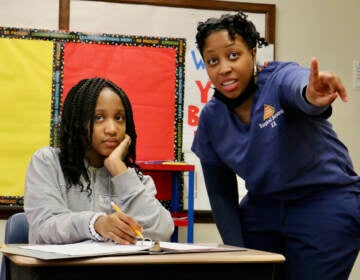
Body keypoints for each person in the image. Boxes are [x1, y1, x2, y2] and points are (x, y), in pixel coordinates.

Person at [191, 11, 360, 280]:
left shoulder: (279, 79)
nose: (224, 68)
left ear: (253, 54)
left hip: (325, 200)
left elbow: (299, 87)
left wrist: (311, 94)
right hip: (265, 208)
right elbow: (221, 194)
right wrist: (238, 254)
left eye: (233, 55)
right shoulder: (212, 119)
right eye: (213, 61)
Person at [24, 77, 174, 245]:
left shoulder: (134, 179)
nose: (112, 129)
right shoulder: (48, 162)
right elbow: (45, 226)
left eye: (119, 118)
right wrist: (96, 224)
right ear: (78, 123)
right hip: (58, 270)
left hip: (112, 270)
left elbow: (163, 230)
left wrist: (119, 171)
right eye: (99, 117)